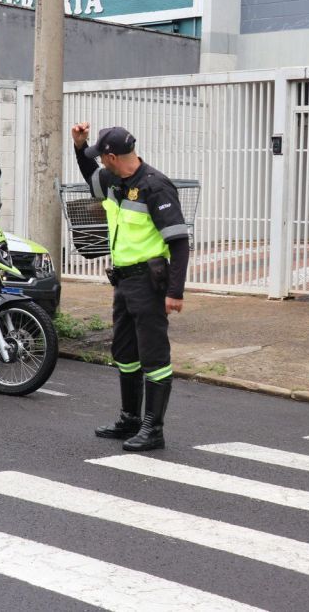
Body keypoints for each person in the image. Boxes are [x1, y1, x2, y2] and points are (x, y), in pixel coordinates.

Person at [71, 122, 190, 452]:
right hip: (123, 281)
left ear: (111, 157)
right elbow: (90, 176)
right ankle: (130, 419)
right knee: (124, 352)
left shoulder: (156, 186)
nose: (99, 161)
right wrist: (79, 147)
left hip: (149, 281)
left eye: (100, 156)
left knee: (153, 354)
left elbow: (179, 242)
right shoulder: (113, 181)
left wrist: (175, 292)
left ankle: (153, 429)